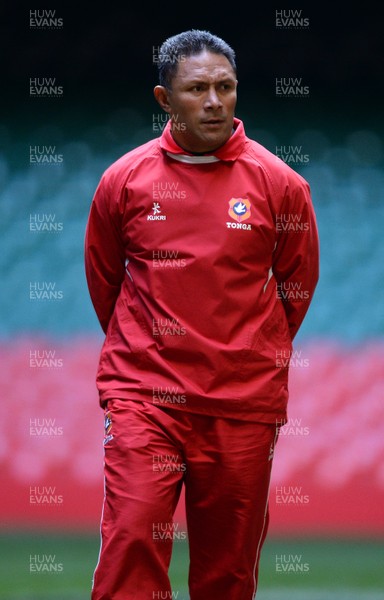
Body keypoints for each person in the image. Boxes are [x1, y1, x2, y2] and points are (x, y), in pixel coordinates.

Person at [84, 29, 319, 600]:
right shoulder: (124, 180)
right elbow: (105, 280)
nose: (214, 101)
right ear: (165, 99)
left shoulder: (280, 185)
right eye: (197, 89)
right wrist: (148, 348)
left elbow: (297, 284)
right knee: (132, 536)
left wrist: (244, 352)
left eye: (226, 87)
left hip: (241, 402)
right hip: (145, 392)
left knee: (227, 572)